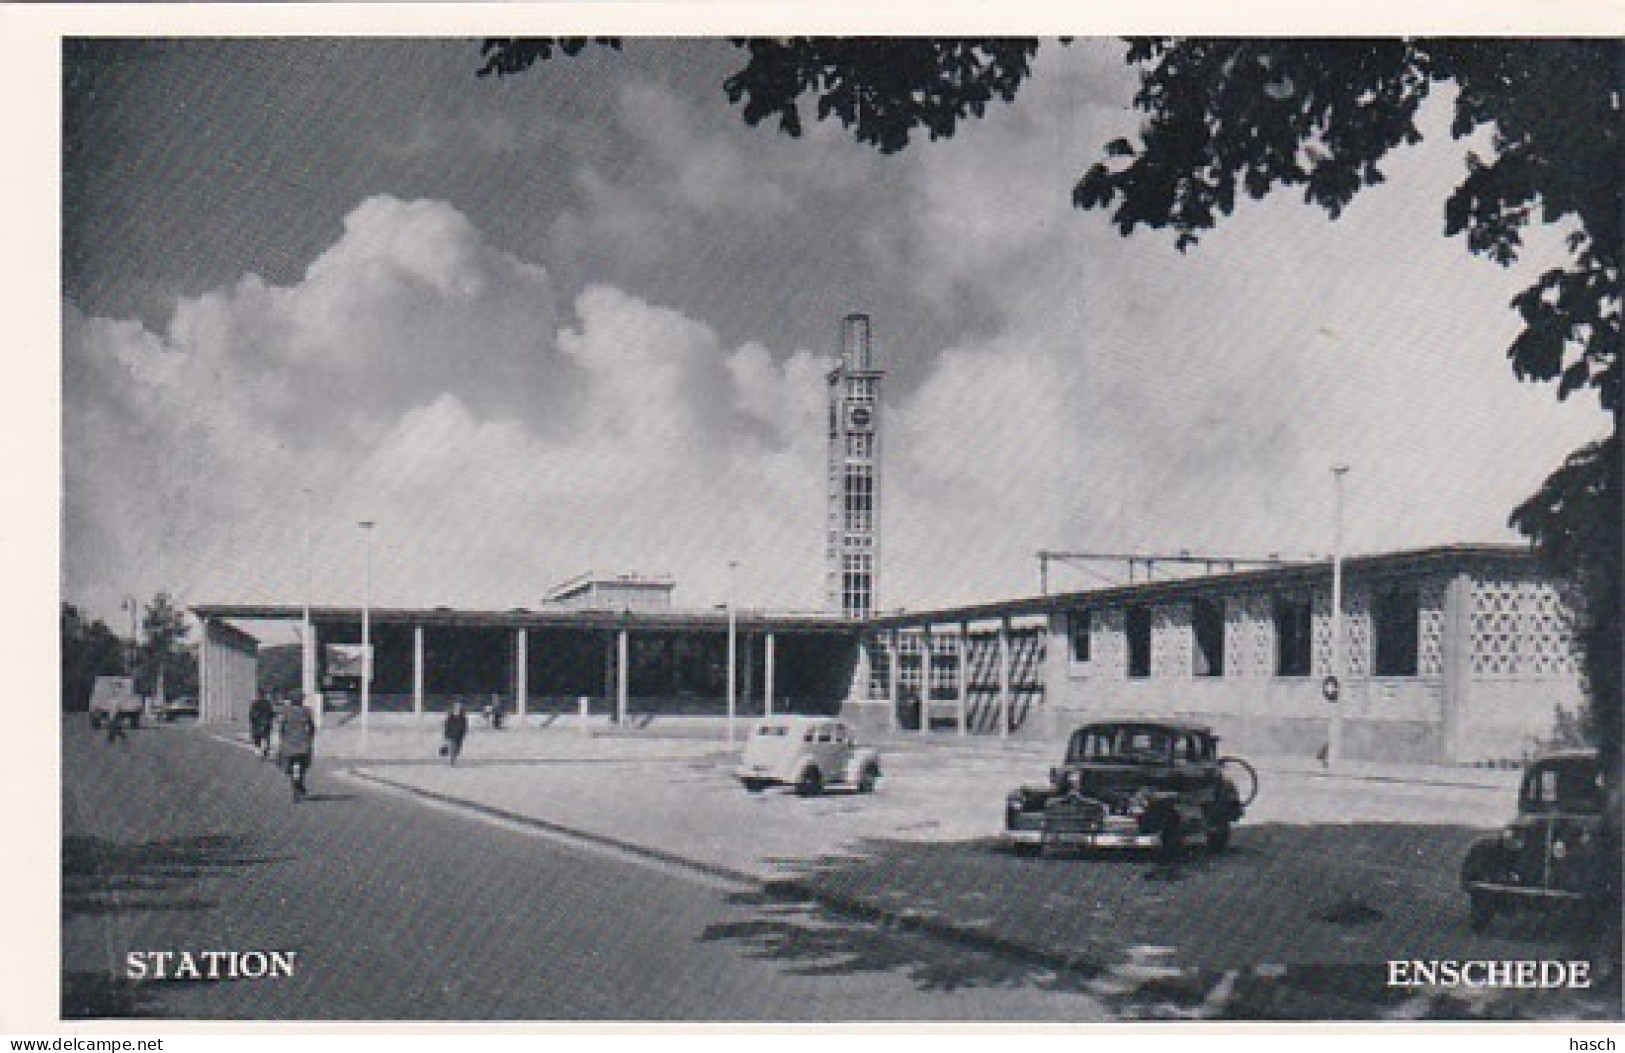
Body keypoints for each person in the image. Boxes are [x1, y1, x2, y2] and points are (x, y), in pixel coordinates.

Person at [278, 696, 317, 802]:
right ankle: (300, 785)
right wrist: (310, 738)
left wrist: (282, 738)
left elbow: (281, 727)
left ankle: (295, 788)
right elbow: (312, 726)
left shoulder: (286, 711)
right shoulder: (306, 711)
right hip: (303, 742)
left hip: (289, 743)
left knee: (289, 765)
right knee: (304, 764)